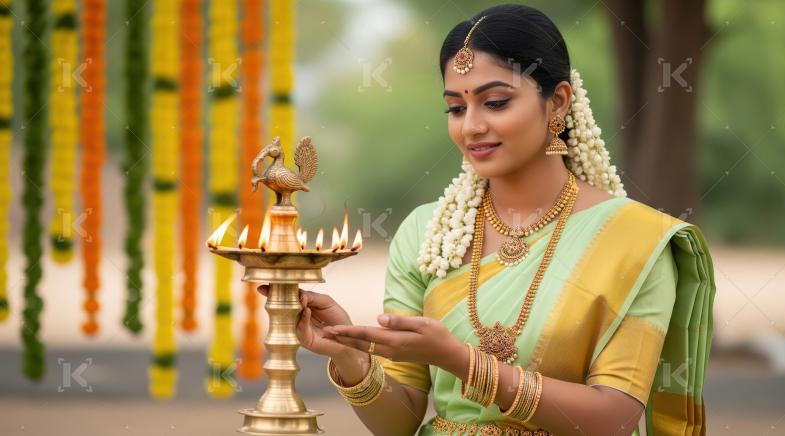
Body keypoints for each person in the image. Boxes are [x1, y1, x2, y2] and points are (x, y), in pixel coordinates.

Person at [260, 4, 715, 435]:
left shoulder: (635, 239)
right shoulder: (428, 234)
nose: (471, 126)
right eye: (456, 108)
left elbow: (612, 419)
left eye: (494, 102)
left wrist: (463, 362)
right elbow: (398, 424)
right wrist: (348, 353)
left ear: (557, 103)